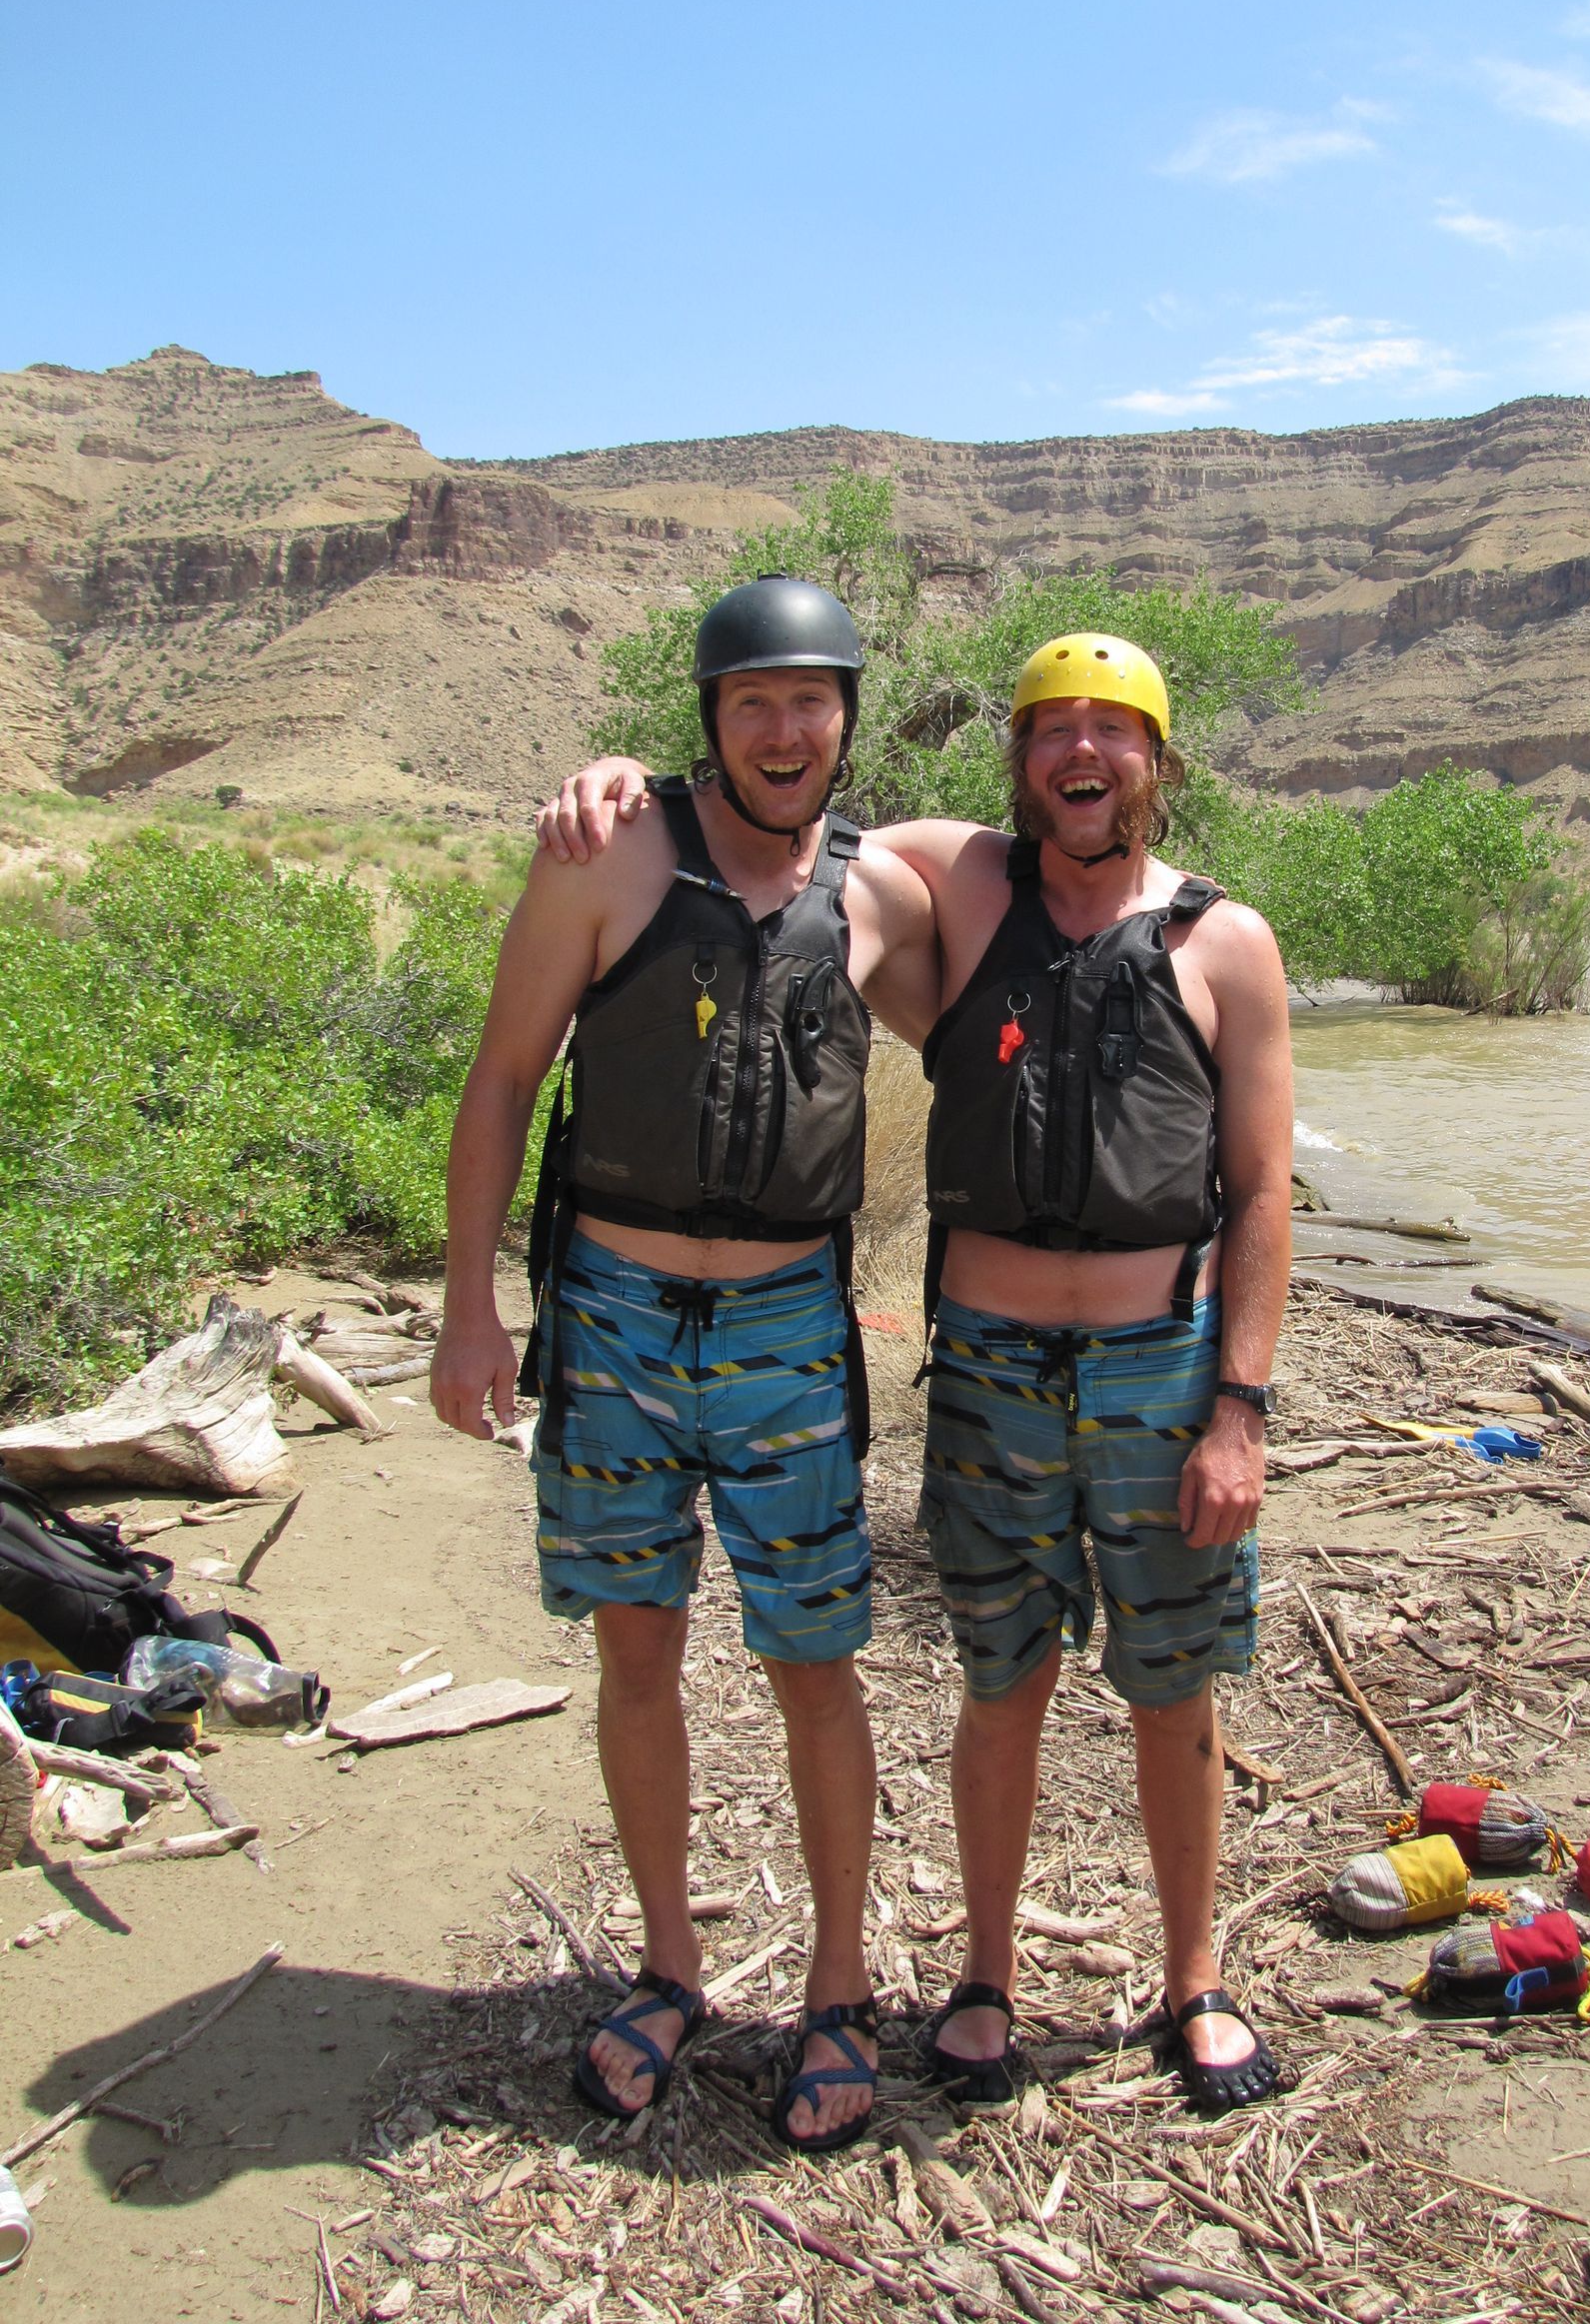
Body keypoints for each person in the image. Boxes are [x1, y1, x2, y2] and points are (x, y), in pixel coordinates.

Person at [538, 627, 1294, 2112]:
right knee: (997, 1678)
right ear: (1015, 757)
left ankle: (1195, 1980)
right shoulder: (957, 884)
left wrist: (1240, 1411)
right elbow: (772, 812)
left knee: (1177, 1685)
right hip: (992, 1366)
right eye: (1051, 729)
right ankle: (986, 1977)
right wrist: (628, 786)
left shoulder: (1228, 942)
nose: (1082, 754)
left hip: (1162, 1365)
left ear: (1161, 758)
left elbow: (1262, 1191)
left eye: (1115, 730)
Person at [435, 577, 937, 2153]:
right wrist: (468, 1308)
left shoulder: (886, 892)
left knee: (815, 1661)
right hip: (618, 1318)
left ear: (849, 717)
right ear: (710, 718)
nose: (785, 731)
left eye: (812, 702)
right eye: (752, 703)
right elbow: (505, 1079)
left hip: (793, 1327)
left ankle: (840, 1989)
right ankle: (669, 1969)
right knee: (635, 1651)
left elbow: (1040, 964)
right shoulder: (610, 854)